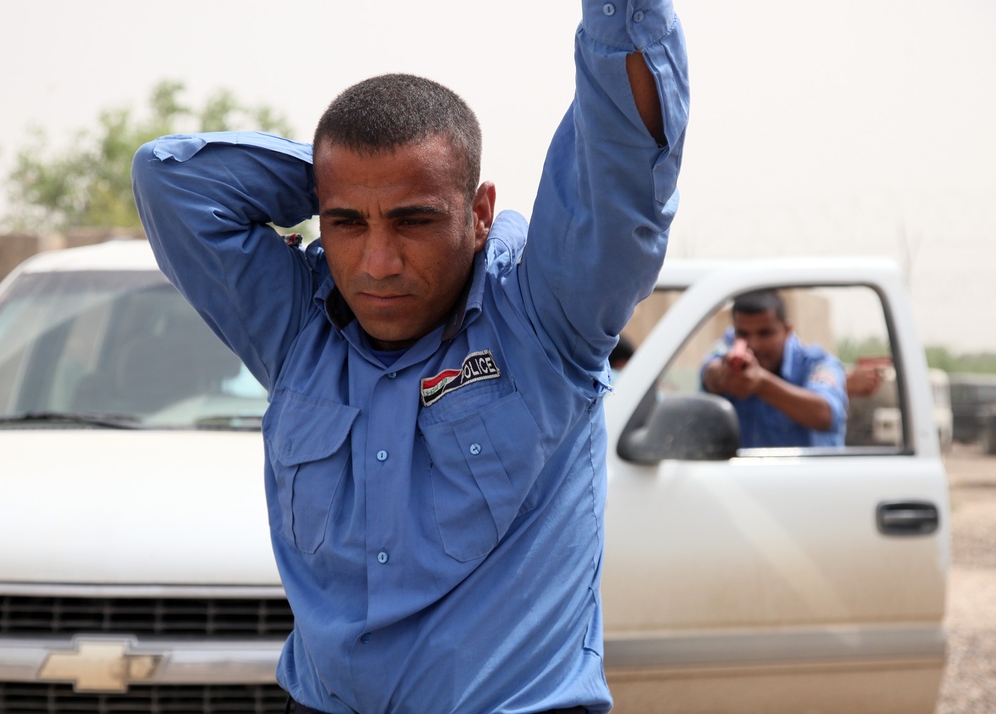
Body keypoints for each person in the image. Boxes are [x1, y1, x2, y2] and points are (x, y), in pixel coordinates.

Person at [132, 3, 688, 711]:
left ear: (479, 210)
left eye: (414, 218)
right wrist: (354, 175)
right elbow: (169, 181)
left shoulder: (547, 321)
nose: (378, 261)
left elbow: (622, 158)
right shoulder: (296, 331)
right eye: (347, 224)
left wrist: (393, 178)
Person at [701, 289, 848, 448]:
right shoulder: (726, 351)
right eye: (744, 334)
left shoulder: (817, 362)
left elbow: (826, 414)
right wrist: (724, 376)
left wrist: (762, 384)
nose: (754, 344)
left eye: (765, 333)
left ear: (787, 330)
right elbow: (710, 372)